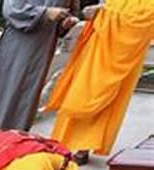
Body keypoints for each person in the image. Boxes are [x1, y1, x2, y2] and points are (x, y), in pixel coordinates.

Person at [47, 0, 154, 161]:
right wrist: (99, 11)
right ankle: (62, 142)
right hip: (97, 44)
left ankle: (83, 146)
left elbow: (144, 21)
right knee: (81, 90)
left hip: (116, 50)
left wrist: (105, 14)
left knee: (102, 96)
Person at [0, 0, 78, 132]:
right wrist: (45, 12)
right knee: (5, 97)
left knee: (26, 103)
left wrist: (65, 24)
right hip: (19, 45)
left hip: (43, 49)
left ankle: (14, 143)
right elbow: (11, 9)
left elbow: (66, 17)